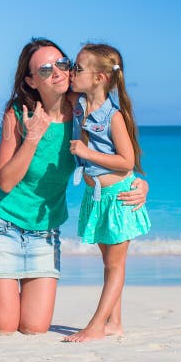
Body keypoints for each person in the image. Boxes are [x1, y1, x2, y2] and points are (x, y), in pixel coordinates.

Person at [0, 38, 148, 335]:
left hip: (45, 233)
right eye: (45, 69)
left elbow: (113, 151)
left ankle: (8, 303)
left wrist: (139, 183)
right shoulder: (17, 115)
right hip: (2, 226)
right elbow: (5, 181)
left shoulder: (81, 109)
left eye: (62, 63)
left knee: (34, 328)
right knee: (3, 327)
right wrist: (32, 137)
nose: (58, 72)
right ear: (31, 81)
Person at [63, 43, 151, 342]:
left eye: (78, 68)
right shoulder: (78, 105)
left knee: (115, 266)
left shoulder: (113, 116)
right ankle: (115, 323)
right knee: (109, 263)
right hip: (95, 197)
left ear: (99, 77)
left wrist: (88, 153)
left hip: (118, 198)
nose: (73, 72)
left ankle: (97, 325)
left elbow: (127, 161)